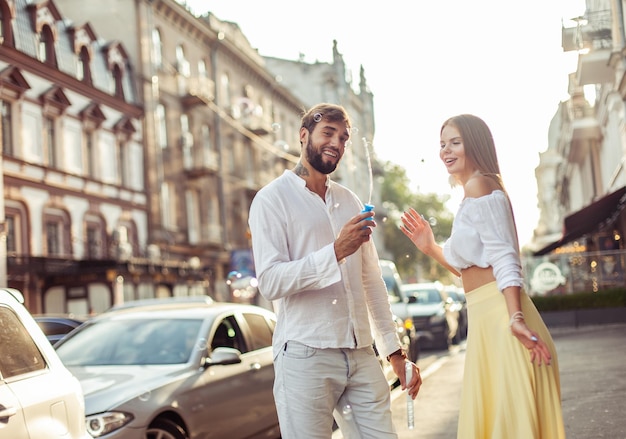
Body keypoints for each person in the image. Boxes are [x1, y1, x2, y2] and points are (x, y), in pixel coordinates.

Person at [248, 103, 421, 439]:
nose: (337, 144)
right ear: (303, 136)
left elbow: (371, 282)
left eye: (343, 138)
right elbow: (270, 282)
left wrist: (395, 352)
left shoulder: (350, 201)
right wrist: (336, 251)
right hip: (304, 355)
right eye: (328, 133)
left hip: (360, 355)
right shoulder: (271, 200)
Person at [400, 114, 565, 439]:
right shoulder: (474, 192)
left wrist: (515, 317)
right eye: (442, 144)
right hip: (487, 321)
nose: (446, 150)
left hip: (502, 321)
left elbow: (505, 257)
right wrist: (431, 247)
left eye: (455, 142)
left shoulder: (480, 185)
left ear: (474, 144)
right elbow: (470, 271)